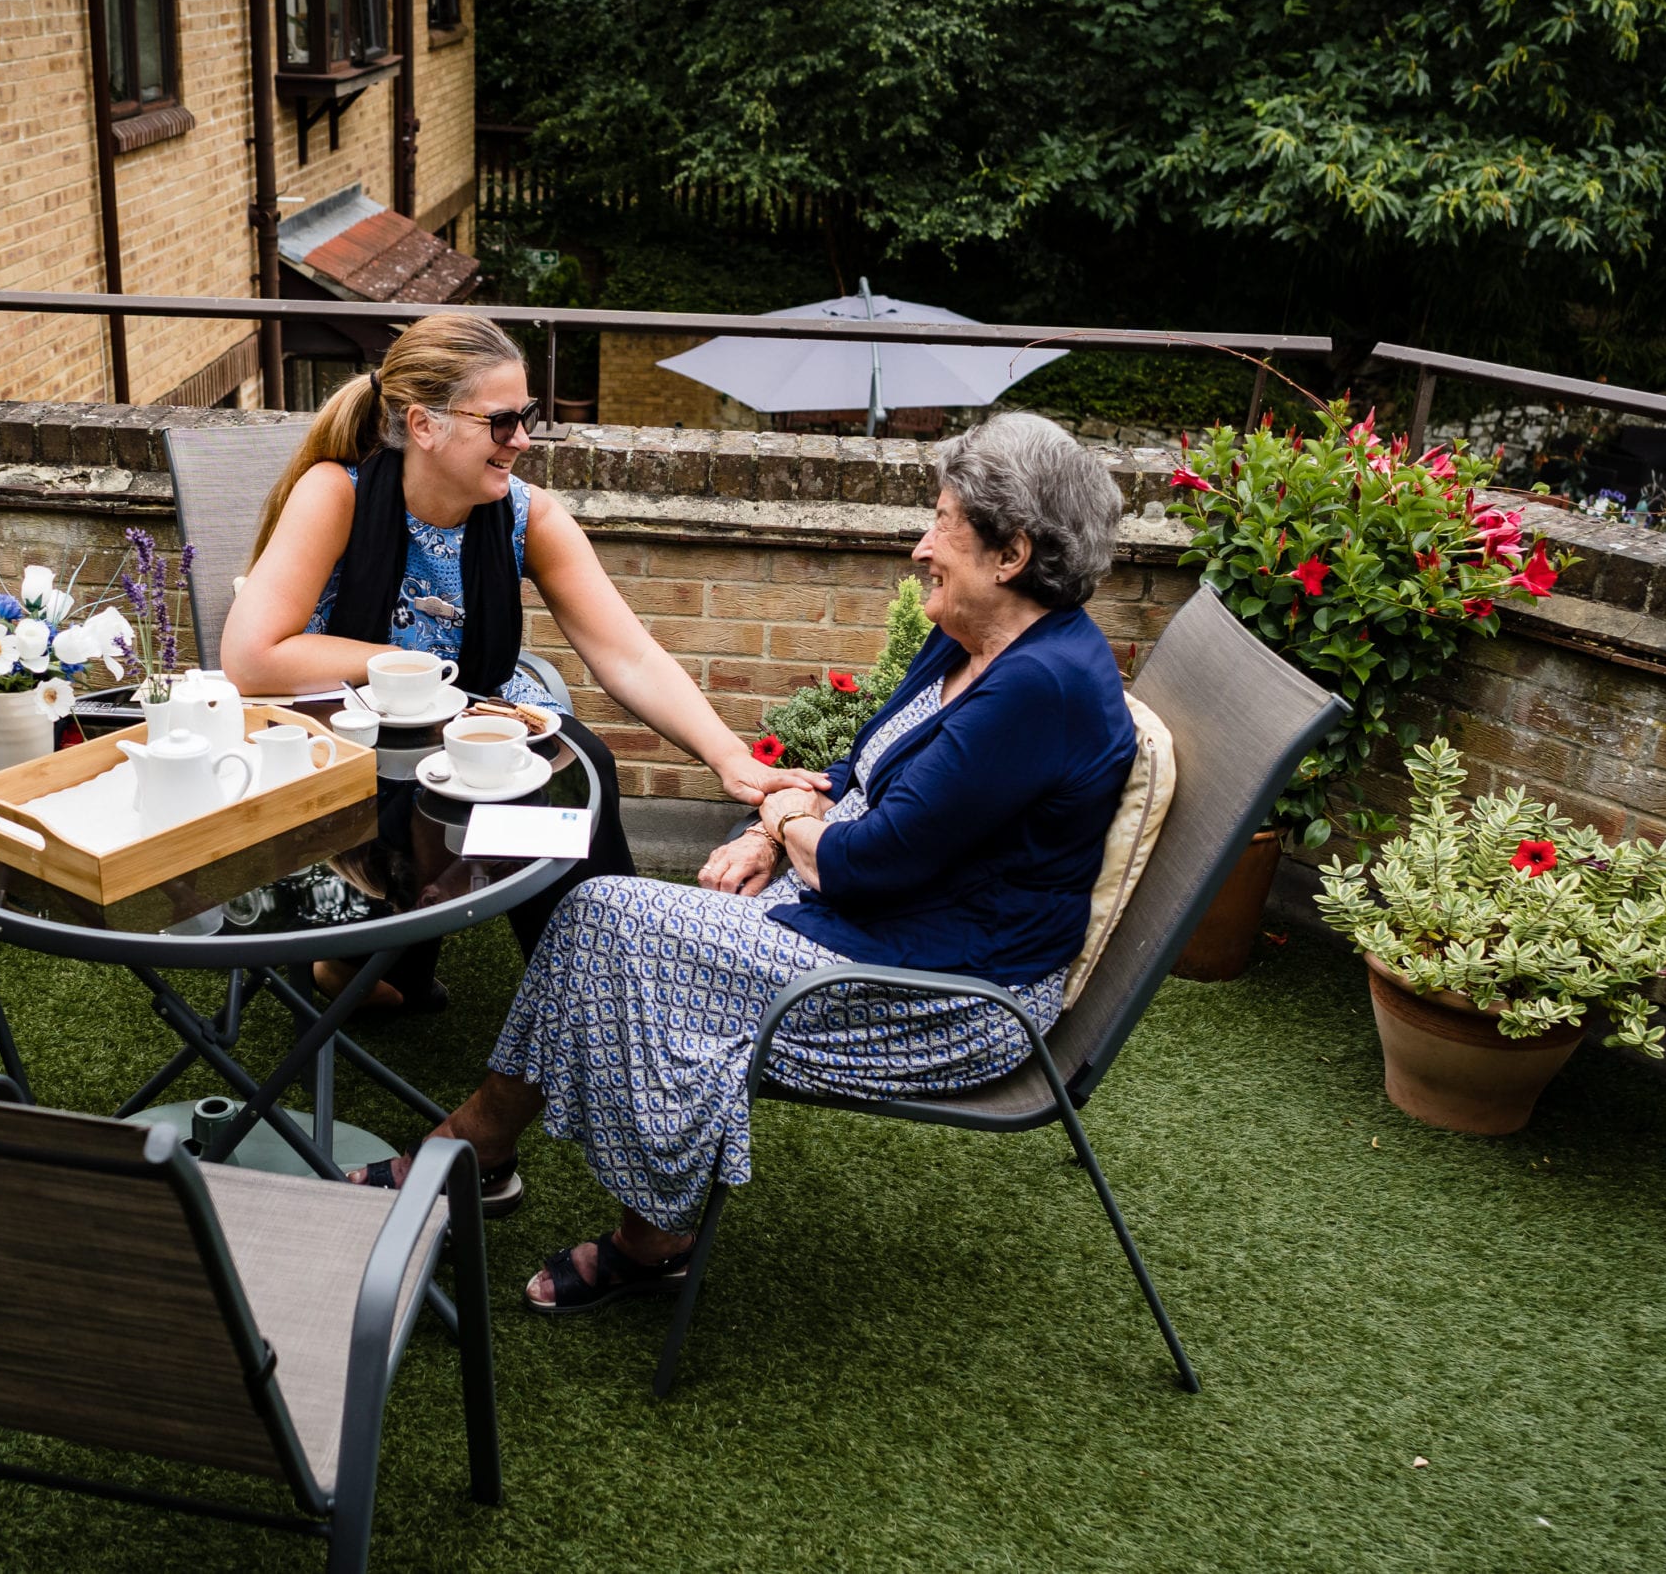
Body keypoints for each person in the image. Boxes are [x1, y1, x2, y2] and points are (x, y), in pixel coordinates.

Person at [353, 412, 1137, 1312]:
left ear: (1012, 554)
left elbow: (864, 863)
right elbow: (858, 768)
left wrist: (781, 813)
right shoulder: (974, 637)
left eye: (943, 523)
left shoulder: (1038, 686)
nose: (921, 546)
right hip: (872, 921)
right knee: (600, 924)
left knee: (608, 920)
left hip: (945, 991)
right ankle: (483, 1155)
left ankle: (624, 1224)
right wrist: (775, 834)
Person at [223, 313, 824, 1018]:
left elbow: (627, 653)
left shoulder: (526, 515)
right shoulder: (337, 493)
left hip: (474, 721)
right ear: (424, 425)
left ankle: (595, 991)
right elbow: (252, 657)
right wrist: (405, 664)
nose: (523, 439)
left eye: (526, 416)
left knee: (583, 763)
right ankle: (384, 958)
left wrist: (729, 757)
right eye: (502, 421)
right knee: (444, 830)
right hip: (349, 736)